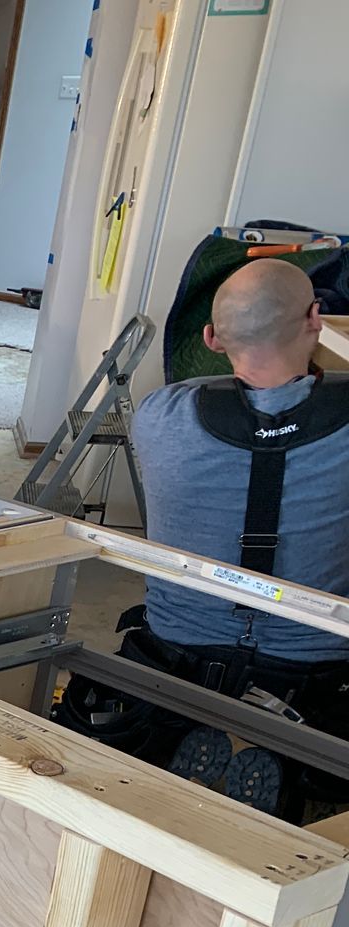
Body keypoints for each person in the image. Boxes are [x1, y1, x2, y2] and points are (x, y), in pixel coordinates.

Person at [99, 257, 349, 810]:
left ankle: (189, 731)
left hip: (176, 650)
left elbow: (244, 405)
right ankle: (286, 757)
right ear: (317, 318)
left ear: (211, 338)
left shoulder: (160, 415)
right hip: (315, 665)